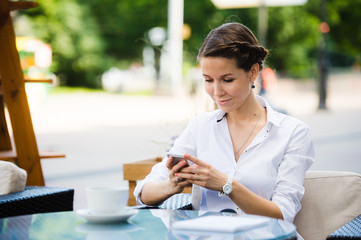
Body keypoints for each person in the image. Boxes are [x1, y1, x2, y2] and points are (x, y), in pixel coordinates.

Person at [134, 22, 314, 228]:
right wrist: (171, 186)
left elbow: (283, 215)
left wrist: (226, 184)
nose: (216, 91)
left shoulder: (293, 132)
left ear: (253, 72)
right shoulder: (200, 126)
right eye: (208, 80)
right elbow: (143, 192)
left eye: (227, 80)